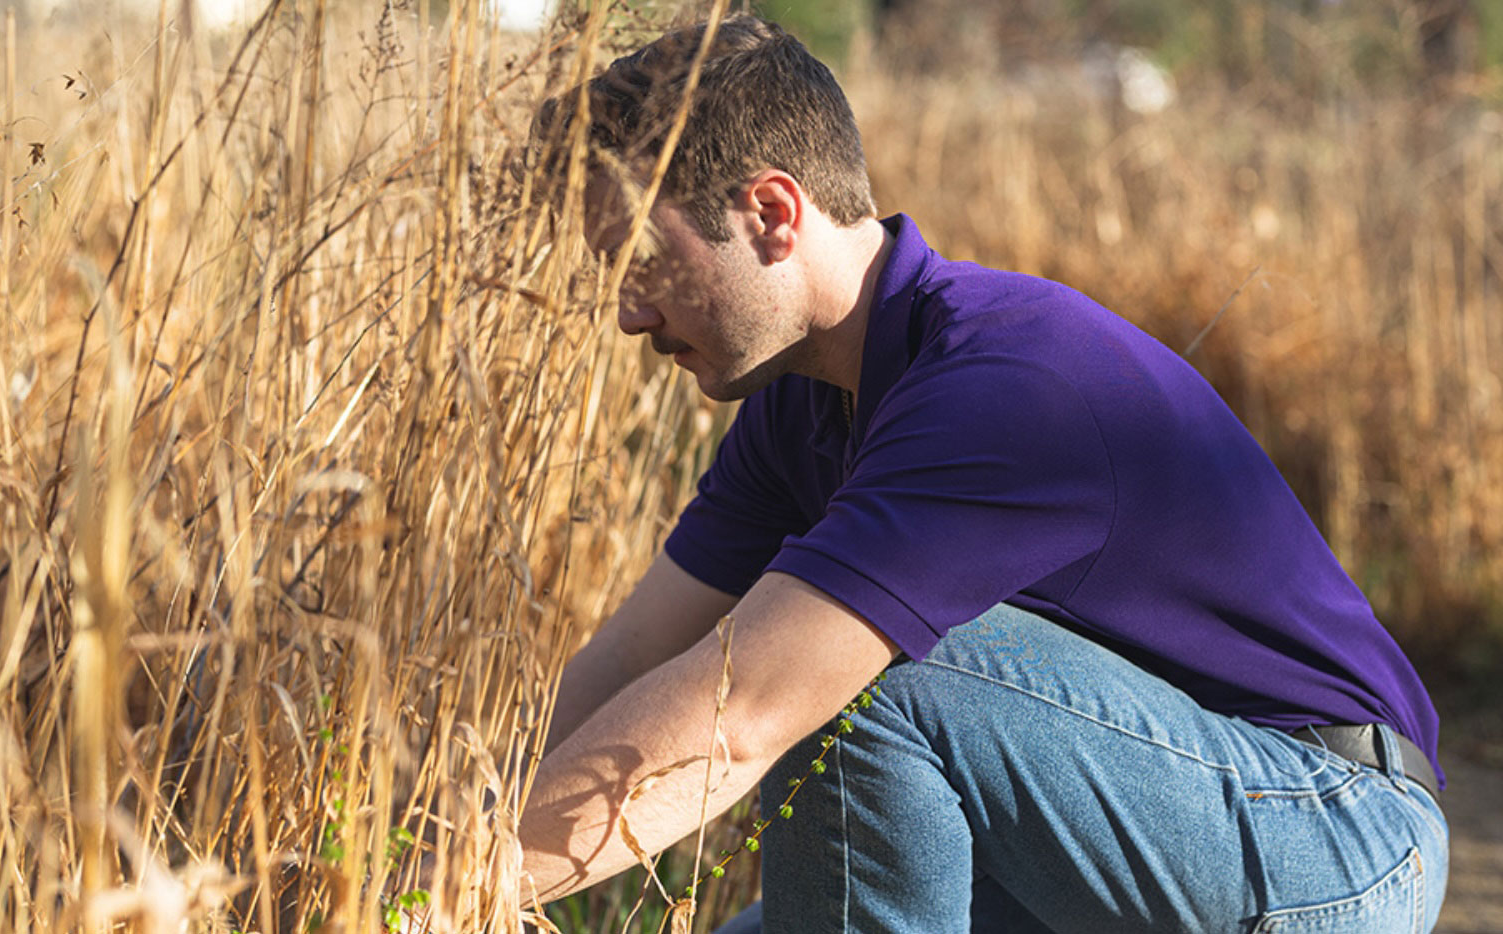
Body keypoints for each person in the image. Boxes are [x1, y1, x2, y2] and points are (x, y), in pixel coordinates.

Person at [516, 15, 1449, 932]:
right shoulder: (795, 408)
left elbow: (750, 704)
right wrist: (422, 837)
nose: (630, 317)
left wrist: (465, 890)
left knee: (856, 675)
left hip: (1329, 832)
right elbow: (636, 654)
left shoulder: (1004, 385)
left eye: (644, 262)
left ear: (771, 213)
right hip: (1108, 831)